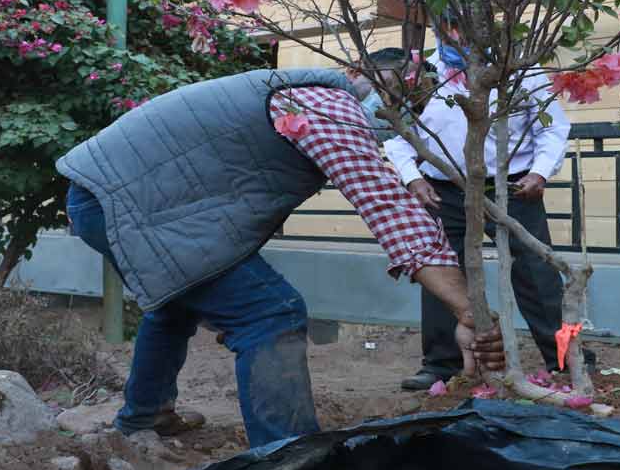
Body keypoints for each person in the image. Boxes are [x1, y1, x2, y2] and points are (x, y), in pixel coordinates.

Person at [57, 50, 504, 447]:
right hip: (127, 203)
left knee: (177, 304)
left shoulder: (304, 94)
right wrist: (465, 309)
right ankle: (287, 459)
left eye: (410, 102)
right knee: (271, 313)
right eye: (393, 88)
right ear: (356, 73)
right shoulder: (327, 106)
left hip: (112, 196)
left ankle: (143, 417)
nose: (393, 106)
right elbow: (385, 204)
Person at [384, 14, 581, 391]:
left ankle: (566, 359)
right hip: (443, 191)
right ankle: (441, 365)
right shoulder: (423, 72)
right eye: (449, 30)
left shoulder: (522, 70)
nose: (456, 38)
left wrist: (539, 172)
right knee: (443, 276)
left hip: (514, 188)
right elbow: (397, 134)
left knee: (539, 278)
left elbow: (554, 128)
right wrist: (413, 177)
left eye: (466, 29)